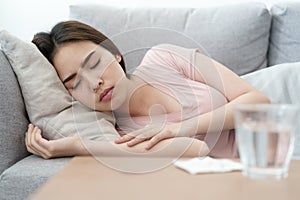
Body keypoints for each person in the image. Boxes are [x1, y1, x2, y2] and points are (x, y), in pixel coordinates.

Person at [25, 20, 270, 159]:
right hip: (256, 166)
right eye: (74, 82)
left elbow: (258, 101)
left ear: (115, 53)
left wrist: (180, 127)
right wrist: (77, 145)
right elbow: (196, 149)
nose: (93, 83)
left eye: (94, 63)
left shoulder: (165, 57)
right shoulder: (115, 131)